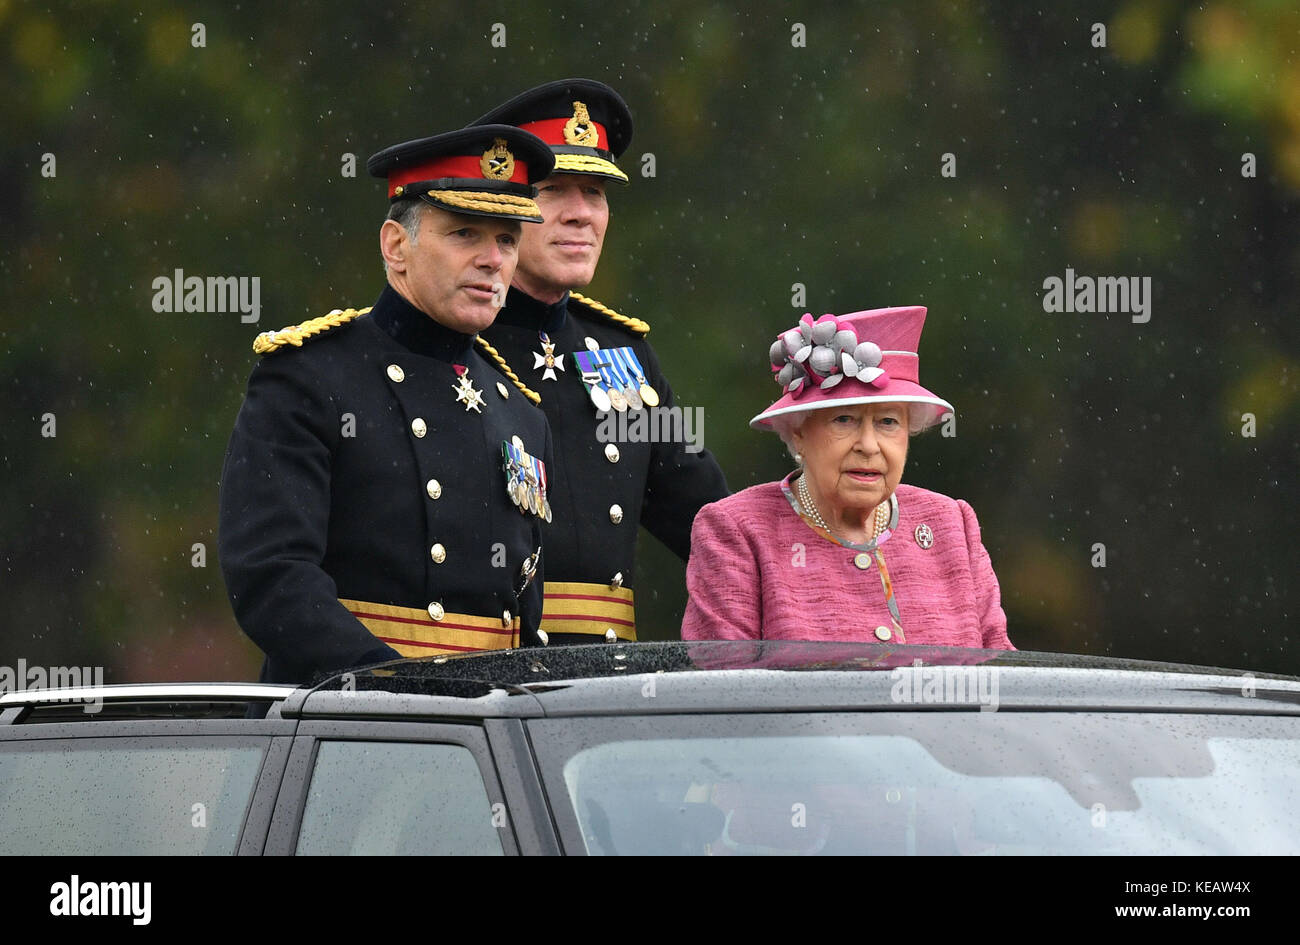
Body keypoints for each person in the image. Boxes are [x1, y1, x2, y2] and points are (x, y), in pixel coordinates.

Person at [219, 125, 557, 684]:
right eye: (465, 233)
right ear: (396, 245)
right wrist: (394, 688)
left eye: (507, 240)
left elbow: (522, 616)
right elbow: (271, 578)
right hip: (349, 727)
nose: (492, 260)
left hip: (484, 737)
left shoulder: (521, 410)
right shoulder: (309, 377)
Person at [469, 79, 730, 643]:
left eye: (596, 192)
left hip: (599, 693)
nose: (581, 214)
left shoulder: (620, 353)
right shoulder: (447, 340)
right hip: (479, 689)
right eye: (555, 190)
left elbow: (716, 527)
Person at [681, 306, 1013, 648]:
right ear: (798, 433)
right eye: (844, 420)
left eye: (888, 422)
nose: (869, 446)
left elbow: (1005, 679)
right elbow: (724, 689)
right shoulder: (737, 531)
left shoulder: (951, 524)